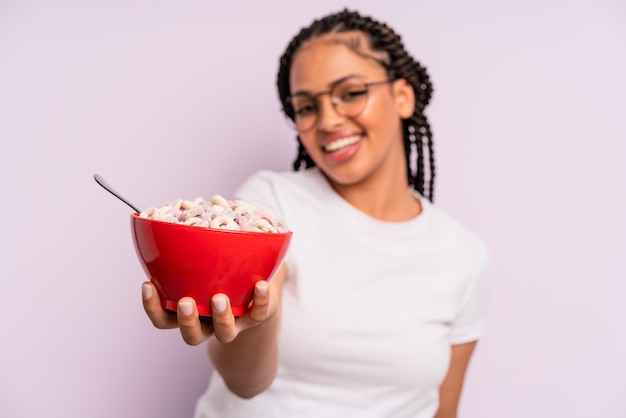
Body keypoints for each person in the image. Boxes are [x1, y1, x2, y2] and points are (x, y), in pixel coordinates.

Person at [142, 8, 490, 418]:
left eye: (351, 92)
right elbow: (246, 383)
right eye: (306, 107)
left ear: (402, 96)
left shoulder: (463, 254)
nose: (327, 121)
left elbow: (442, 411)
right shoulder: (271, 203)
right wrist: (256, 318)